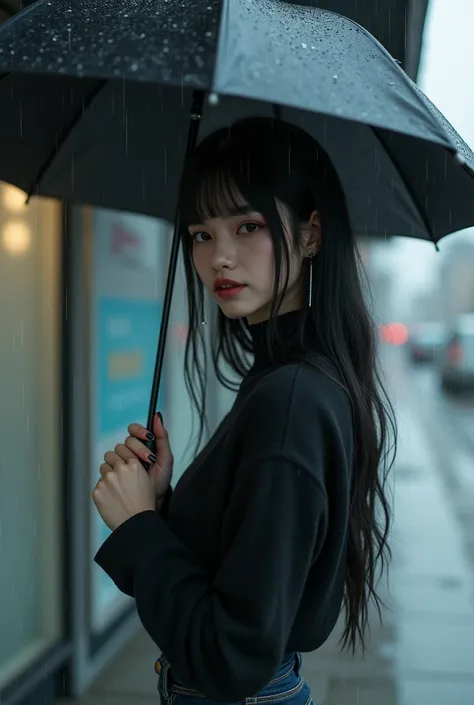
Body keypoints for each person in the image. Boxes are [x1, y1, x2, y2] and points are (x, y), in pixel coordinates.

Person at [92, 117, 396, 705]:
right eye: (201, 234)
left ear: (311, 235)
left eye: (247, 225)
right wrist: (161, 503)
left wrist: (138, 529)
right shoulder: (290, 378)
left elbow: (230, 656)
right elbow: (245, 564)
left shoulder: (290, 399)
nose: (219, 258)